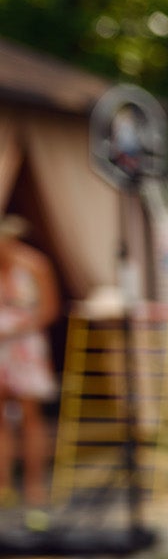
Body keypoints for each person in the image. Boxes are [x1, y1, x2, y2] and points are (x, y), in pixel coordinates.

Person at [0, 215, 59, 518]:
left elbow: (49, 309)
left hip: (24, 346)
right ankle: (4, 484)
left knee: (30, 416)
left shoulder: (35, 264)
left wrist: (15, 329)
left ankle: (34, 484)